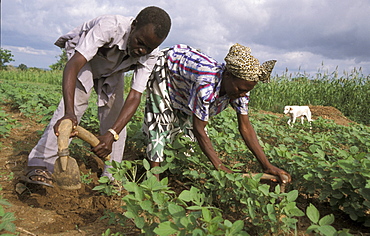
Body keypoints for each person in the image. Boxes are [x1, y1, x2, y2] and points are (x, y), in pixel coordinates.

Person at [21, 6, 171, 187]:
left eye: (148, 48)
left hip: (113, 69)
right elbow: (73, 64)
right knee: (77, 103)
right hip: (84, 59)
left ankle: (112, 176)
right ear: (134, 25)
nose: (141, 51)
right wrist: (69, 113)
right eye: (139, 42)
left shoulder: (151, 54)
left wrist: (111, 133)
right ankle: (40, 163)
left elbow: (134, 96)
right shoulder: (110, 26)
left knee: (116, 117)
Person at [143, 43, 291, 183]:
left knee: (187, 136)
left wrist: (266, 165)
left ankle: (177, 170)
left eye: (247, 91)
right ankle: (153, 181)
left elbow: (245, 127)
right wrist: (220, 166)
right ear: (227, 75)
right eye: (240, 89)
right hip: (167, 69)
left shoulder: (240, 90)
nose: (242, 94)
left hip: (185, 83)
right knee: (160, 124)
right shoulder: (206, 84)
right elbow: (199, 129)